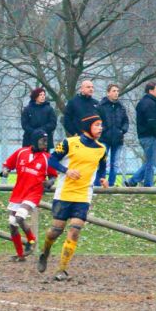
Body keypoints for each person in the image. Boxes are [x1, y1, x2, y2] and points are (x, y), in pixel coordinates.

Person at [37, 114, 108, 281]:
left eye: (101, 125)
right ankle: (45, 251)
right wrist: (67, 171)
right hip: (65, 192)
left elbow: (102, 166)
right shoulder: (69, 143)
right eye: (97, 125)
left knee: (75, 230)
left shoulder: (101, 149)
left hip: (84, 195)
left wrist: (103, 178)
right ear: (88, 127)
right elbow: (51, 161)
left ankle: (61, 269)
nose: (100, 128)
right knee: (55, 231)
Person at [0, 130, 57, 261]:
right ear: (35, 140)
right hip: (19, 192)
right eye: (43, 140)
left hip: (34, 193)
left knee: (20, 218)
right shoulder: (21, 152)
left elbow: (53, 175)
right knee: (12, 224)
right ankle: (20, 256)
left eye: (46, 141)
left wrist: (50, 182)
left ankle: (31, 241)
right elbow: (7, 165)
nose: (45, 143)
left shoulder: (47, 158)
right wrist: (5, 171)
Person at [124, 82, 156, 188]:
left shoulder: (144, 102)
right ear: (150, 91)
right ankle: (147, 185)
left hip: (143, 136)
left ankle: (133, 181)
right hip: (150, 136)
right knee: (151, 164)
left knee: (150, 162)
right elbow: (152, 121)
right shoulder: (150, 103)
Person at [96, 84, 129, 187]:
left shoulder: (121, 107)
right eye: (114, 91)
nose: (116, 93)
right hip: (104, 139)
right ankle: (98, 184)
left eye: (117, 91)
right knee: (102, 162)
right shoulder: (101, 106)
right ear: (108, 92)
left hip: (118, 139)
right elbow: (97, 121)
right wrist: (103, 130)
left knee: (115, 164)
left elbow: (126, 121)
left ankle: (110, 185)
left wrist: (122, 131)